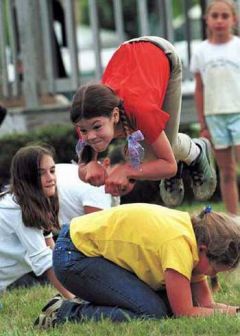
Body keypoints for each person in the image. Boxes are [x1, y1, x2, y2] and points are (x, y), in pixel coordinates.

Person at [34, 204, 240, 328]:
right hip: (74, 256)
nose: (213, 274)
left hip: (85, 251)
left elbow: (204, 304)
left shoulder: (195, 239)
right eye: (214, 269)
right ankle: (63, 312)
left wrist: (235, 311)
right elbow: (185, 312)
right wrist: (229, 313)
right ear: (204, 249)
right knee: (152, 312)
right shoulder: (179, 245)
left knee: (166, 305)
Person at [70, 36, 217, 208]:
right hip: (130, 57)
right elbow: (82, 169)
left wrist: (126, 170)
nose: (90, 136)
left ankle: (197, 151)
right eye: (84, 131)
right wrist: (89, 167)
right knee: (140, 155)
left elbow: (169, 166)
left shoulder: (140, 112)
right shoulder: (85, 118)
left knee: (146, 156)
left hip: (161, 53)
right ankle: (170, 153)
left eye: (97, 127)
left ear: (115, 115)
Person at [0, 144, 74, 299]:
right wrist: (73, 299)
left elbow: (50, 248)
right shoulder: (18, 210)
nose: (51, 178)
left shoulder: (30, 201)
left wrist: (76, 285)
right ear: (27, 177)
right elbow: (44, 261)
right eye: (41, 173)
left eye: (52, 171)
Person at [190, 0, 240, 215]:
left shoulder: (238, 46)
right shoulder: (201, 51)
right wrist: (203, 123)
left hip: (238, 112)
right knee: (226, 172)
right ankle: (233, 219)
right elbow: (199, 89)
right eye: (215, 16)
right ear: (207, 20)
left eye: (224, 16)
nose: (220, 20)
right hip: (214, 116)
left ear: (234, 19)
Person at [55, 146, 131, 225]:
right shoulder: (98, 189)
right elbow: (100, 232)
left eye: (132, 179)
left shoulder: (96, 174)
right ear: (107, 163)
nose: (125, 184)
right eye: (124, 174)